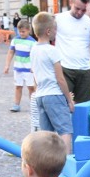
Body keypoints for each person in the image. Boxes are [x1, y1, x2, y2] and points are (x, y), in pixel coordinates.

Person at [31, 12, 75, 154]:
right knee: (65, 131)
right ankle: (66, 162)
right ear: (49, 31)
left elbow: (34, 74)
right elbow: (60, 79)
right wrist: (69, 99)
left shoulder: (33, 50)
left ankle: (47, 164)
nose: (56, 32)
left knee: (46, 135)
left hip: (41, 96)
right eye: (55, 29)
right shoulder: (52, 50)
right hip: (54, 94)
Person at [54, 0, 90, 104]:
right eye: (77, 8)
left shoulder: (89, 20)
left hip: (85, 69)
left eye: (83, 10)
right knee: (63, 103)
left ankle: (78, 123)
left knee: (83, 106)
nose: (79, 12)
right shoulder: (59, 19)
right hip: (65, 68)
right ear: (71, 3)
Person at [3, 19, 37, 117]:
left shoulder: (33, 42)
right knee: (18, 86)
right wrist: (7, 65)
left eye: (23, 31)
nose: (21, 33)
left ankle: (33, 105)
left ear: (28, 30)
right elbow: (11, 52)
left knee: (31, 88)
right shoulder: (15, 40)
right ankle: (16, 104)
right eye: (19, 31)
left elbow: (35, 56)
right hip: (18, 68)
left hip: (29, 70)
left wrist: (34, 67)